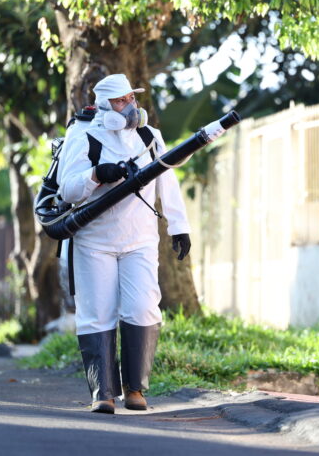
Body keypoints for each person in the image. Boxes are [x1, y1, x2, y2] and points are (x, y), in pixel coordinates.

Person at [56, 74, 192, 414]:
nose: (129, 106)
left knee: (143, 307)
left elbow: (167, 179)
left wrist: (179, 226)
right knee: (96, 313)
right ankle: (102, 392)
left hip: (140, 239)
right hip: (94, 241)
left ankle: (135, 389)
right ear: (104, 105)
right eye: (120, 101)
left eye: (130, 98)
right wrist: (96, 175)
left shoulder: (149, 135)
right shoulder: (82, 134)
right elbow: (67, 190)